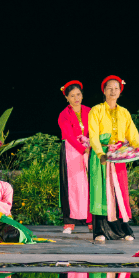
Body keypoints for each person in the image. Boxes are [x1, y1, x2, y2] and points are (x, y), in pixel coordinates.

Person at [88, 76, 139, 242]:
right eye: (109, 88)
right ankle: (99, 231)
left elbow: (132, 134)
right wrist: (100, 153)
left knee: (119, 192)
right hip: (102, 157)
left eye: (116, 88)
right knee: (101, 193)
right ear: (104, 91)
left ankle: (123, 230)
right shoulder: (96, 110)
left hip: (119, 158)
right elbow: (93, 135)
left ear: (120, 92)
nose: (113, 91)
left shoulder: (124, 112)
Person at [58, 81, 92, 234]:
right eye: (72, 96)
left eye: (78, 94)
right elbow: (69, 135)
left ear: (82, 95)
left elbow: (94, 129)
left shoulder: (90, 111)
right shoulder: (64, 114)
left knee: (89, 184)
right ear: (67, 98)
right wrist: (81, 148)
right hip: (71, 151)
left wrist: (90, 146)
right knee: (70, 186)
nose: (76, 98)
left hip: (89, 149)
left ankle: (90, 220)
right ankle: (69, 222)